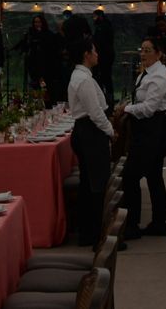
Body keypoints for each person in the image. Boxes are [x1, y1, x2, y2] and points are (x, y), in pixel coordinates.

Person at [119, 37, 166, 240]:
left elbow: (149, 109)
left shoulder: (159, 76)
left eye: (148, 50)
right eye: (141, 50)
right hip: (148, 129)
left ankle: (132, 224)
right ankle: (159, 223)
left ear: (159, 54)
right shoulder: (148, 72)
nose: (142, 54)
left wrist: (126, 109)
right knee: (153, 175)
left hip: (156, 130)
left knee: (131, 175)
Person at [65, 36, 112, 246]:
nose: (97, 54)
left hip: (86, 131)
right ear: (86, 54)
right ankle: (93, 234)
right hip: (90, 132)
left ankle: (89, 232)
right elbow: (95, 112)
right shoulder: (82, 79)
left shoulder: (82, 76)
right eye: (94, 51)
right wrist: (110, 130)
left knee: (89, 183)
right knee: (96, 184)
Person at [24, 15, 62, 103]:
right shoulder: (31, 35)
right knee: (35, 91)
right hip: (34, 67)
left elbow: (52, 51)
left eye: (39, 22)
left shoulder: (49, 34)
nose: (37, 24)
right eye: (35, 22)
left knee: (46, 91)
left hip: (47, 68)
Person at [90, 7, 116, 104]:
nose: (94, 19)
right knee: (106, 78)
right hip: (106, 55)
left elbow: (100, 42)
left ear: (99, 16)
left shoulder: (102, 27)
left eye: (95, 17)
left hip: (104, 56)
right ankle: (107, 99)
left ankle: (105, 100)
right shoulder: (105, 26)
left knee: (104, 78)